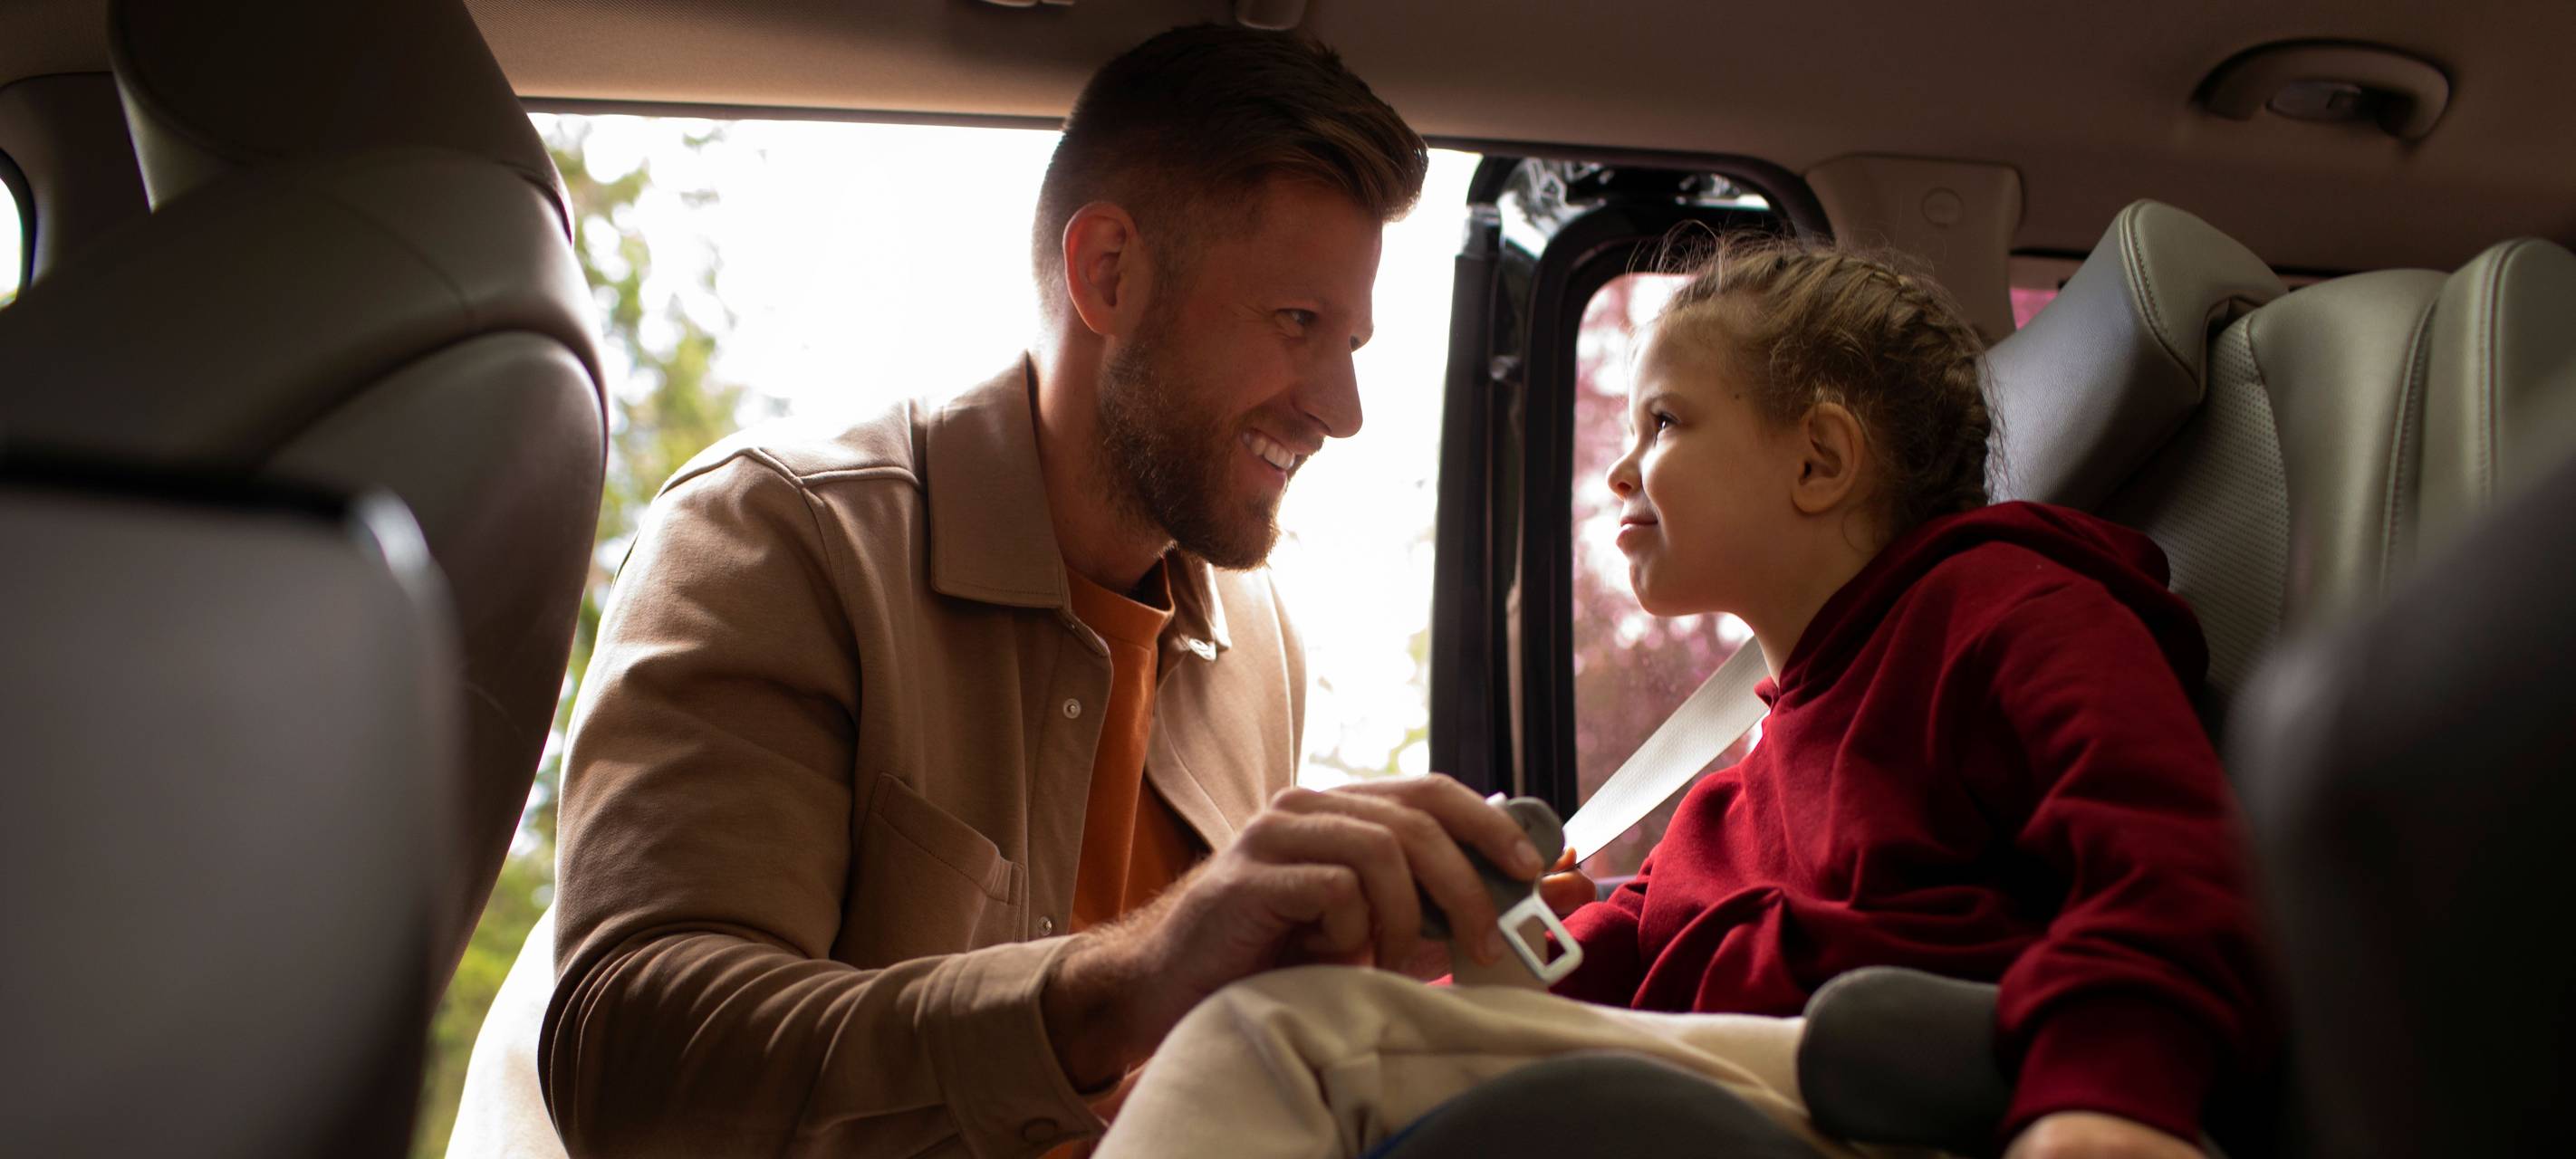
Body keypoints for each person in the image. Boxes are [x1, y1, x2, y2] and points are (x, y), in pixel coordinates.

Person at [515, 24, 1577, 1159]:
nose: (1342, 406)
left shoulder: (1262, 643)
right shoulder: (782, 537)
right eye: (1298, 323)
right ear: (1108, 273)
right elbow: (630, 1066)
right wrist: (1125, 980)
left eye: (1351, 340)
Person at [1091, 239, 2269, 1159]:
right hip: (1755, 1074)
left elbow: (2162, 850)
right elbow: (1620, 945)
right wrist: (1448, 962)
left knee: (1269, 1044)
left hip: (1901, 1095)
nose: (1618, 464)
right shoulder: (1758, 760)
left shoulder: (2009, 608)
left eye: (1665, 422)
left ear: (1820, 462)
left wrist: (2112, 1094)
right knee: (1289, 1022)